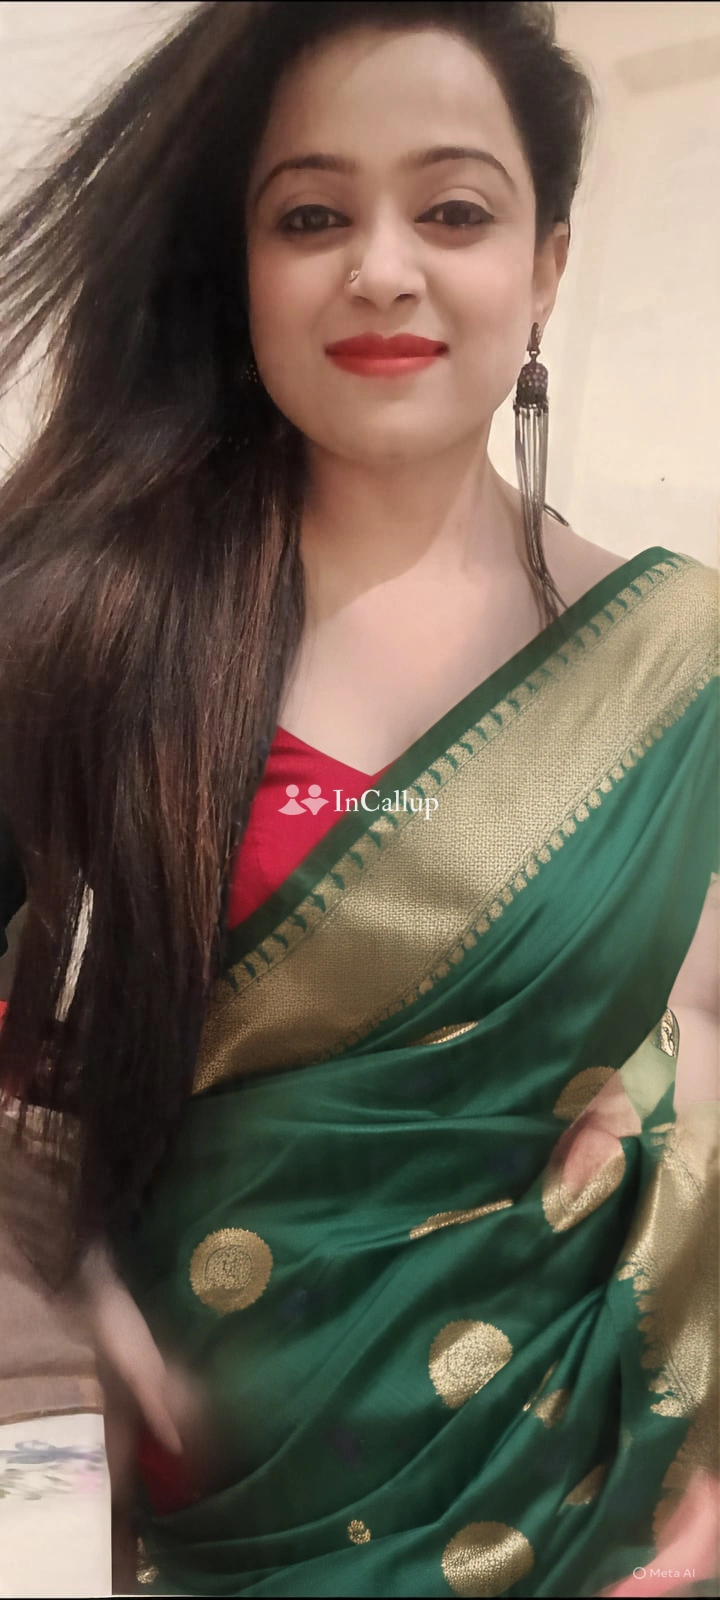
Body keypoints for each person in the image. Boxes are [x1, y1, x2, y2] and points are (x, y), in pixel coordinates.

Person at [0, 3, 717, 1596]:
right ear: (242, 268)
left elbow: (701, 1038)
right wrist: (41, 1315)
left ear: (546, 264)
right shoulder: (82, 635)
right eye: (311, 216)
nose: (383, 269)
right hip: (210, 1518)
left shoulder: (686, 666)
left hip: (595, 1511)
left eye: (453, 210)